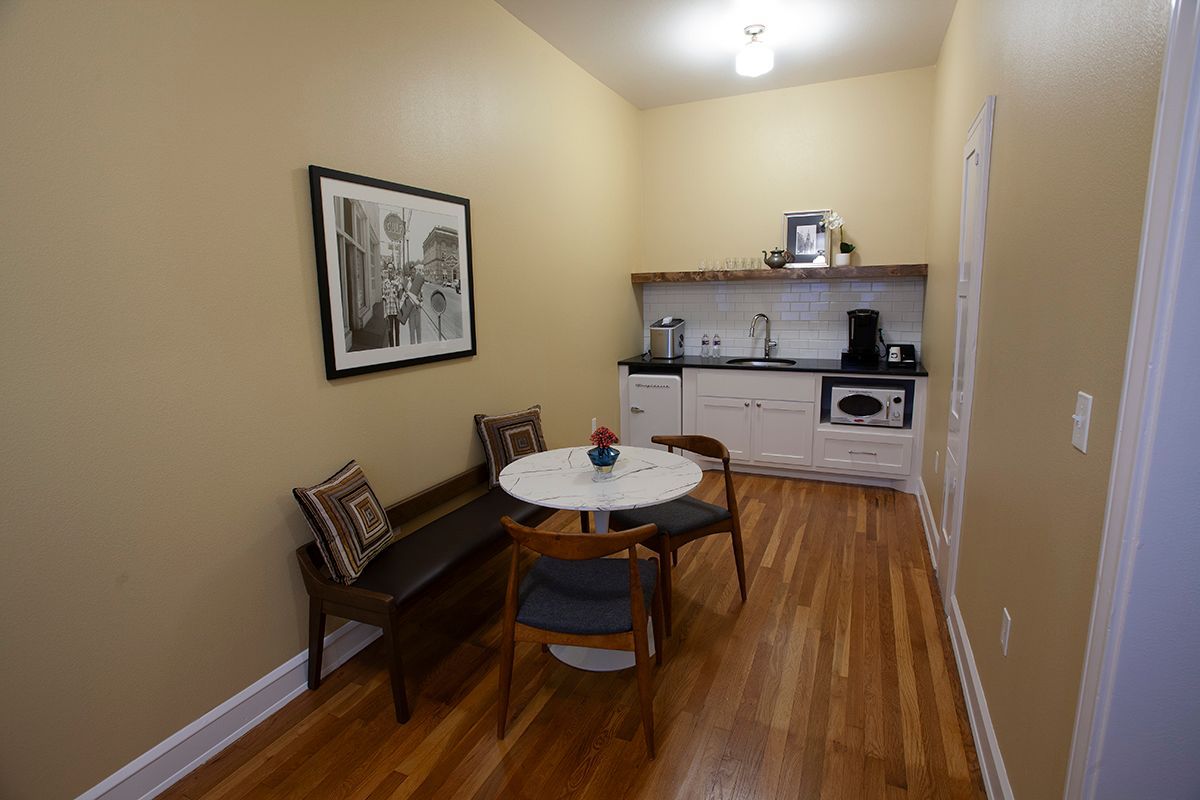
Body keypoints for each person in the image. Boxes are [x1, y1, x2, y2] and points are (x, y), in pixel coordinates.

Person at [401, 264, 426, 344]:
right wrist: (405, 296)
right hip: (410, 310)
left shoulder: (418, 283)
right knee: (412, 331)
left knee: (419, 330)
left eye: (414, 273)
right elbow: (404, 296)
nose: (413, 274)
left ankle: (419, 347)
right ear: (410, 273)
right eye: (411, 273)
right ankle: (413, 348)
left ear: (415, 273)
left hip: (417, 309)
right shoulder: (407, 282)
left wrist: (421, 302)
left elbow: (422, 296)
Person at [381, 265, 401, 347]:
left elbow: (400, 296)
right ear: (387, 270)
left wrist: (397, 287)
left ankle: (398, 350)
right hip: (389, 311)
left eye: (391, 268)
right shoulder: (385, 283)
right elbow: (384, 298)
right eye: (389, 268)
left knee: (397, 332)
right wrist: (384, 313)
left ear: (394, 270)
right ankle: (392, 350)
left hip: (396, 310)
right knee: (390, 332)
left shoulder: (398, 280)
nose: (390, 270)